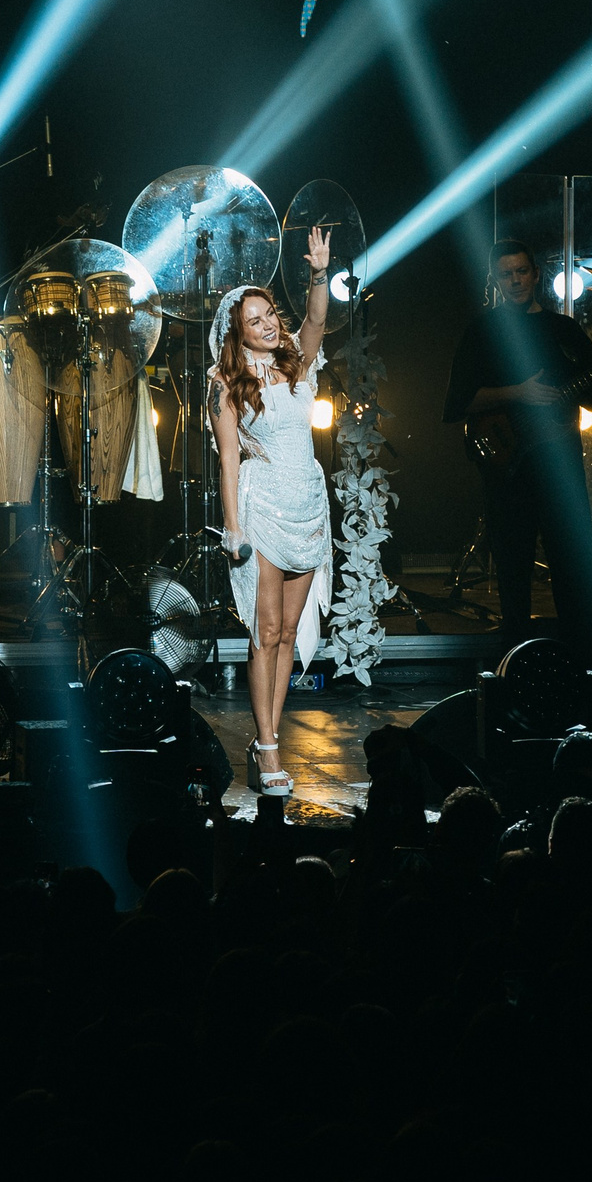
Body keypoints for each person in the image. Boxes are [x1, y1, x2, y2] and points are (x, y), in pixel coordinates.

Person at [444, 240, 592, 651]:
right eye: (507, 274)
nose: (515, 280)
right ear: (495, 280)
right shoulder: (483, 331)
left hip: (561, 463)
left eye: (522, 272)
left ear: (536, 275)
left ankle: (581, 656)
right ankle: (515, 658)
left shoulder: (564, 329)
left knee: (575, 562)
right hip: (509, 467)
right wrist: (518, 393)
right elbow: (459, 402)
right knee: (513, 563)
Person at [211, 224, 335, 799]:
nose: (268, 324)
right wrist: (233, 528)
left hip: (306, 502)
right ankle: (267, 748)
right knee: (264, 632)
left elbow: (315, 320)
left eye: (269, 315)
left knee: (288, 631)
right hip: (261, 506)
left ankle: (269, 733)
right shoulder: (228, 385)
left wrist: (316, 273)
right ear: (237, 335)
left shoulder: (298, 364)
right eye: (254, 320)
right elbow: (229, 461)